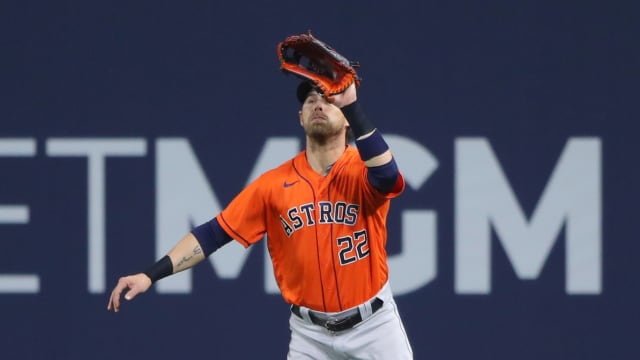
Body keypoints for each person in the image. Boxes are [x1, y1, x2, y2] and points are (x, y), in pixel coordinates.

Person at [107, 80, 414, 359]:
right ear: (300, 118)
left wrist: (352, 104)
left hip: (373, 328)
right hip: (311, 337)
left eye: (328, 100)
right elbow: (213, 234)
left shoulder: (361, 171)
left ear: (347, 118)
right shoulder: (273, 185)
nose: (318, 104)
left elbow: (388, 177)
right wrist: (151, 275)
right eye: (310, 101)